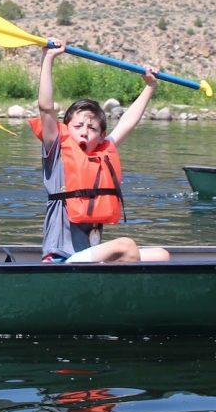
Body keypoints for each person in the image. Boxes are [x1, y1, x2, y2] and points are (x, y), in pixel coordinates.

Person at [31, 40, 170, 263]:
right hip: (61, 259)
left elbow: (127, 122)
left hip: (88, 257)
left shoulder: (104, 150)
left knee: (161, 255)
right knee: (126, 246)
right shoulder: (55, 148)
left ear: (101, 135)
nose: (84, 132)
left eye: (92, 128)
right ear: (67, 128)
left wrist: (150, 87)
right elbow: (46, 107)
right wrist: (48, 58)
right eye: (77, 126)